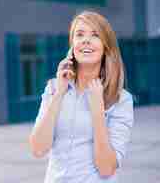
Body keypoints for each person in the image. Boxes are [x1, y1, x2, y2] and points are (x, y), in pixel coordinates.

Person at [28, 10, 134, 183]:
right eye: (79, 34)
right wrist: (59, 94)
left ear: (106, 47)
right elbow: (38, 149)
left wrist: (97, 110)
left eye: (95, 35)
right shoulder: (54, 88)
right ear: (72, 47)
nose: (86, 39)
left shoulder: (121, 99)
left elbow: (107, 168)